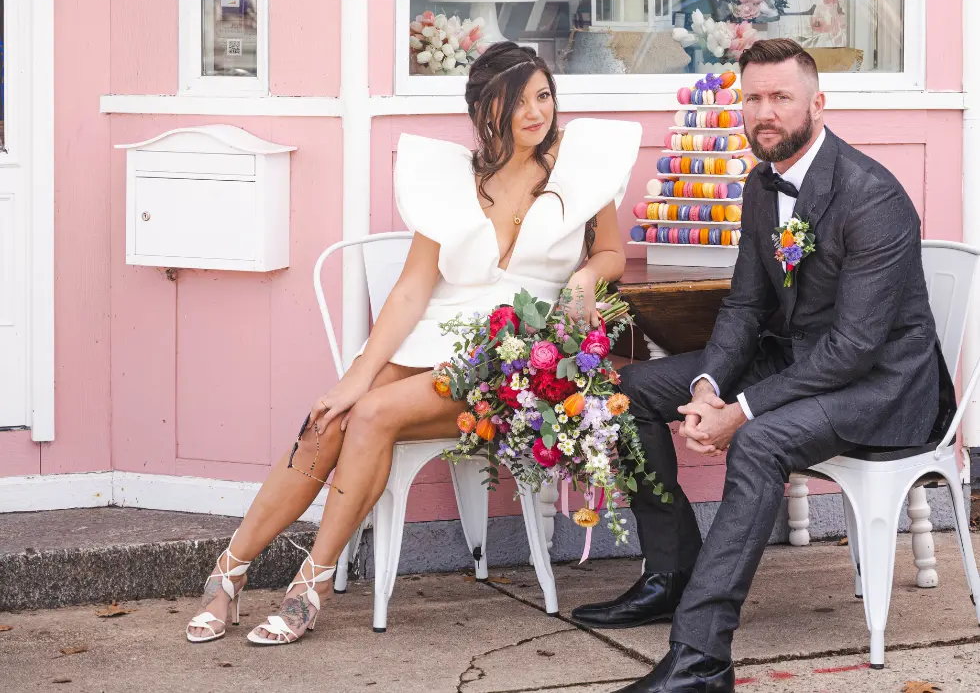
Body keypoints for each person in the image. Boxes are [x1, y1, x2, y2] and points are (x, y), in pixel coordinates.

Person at [185, 42, 643, 645]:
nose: (536, 112)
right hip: (432, 338)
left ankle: (310, 585)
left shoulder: (581, 167)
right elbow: (410, 291)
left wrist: (585, 276)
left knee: (373, 416)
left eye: (543, 96)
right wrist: (354, 376)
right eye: (518, 102)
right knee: (330, 419)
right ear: (486, 111)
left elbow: (611, 252)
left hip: (506, 360)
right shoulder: (454, 180)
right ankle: (228, 572)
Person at [570, 39, 954, 692]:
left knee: (757, 441)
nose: (765, 112)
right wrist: (706, 387)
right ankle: (673, 572)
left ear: (817, 104)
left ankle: (702, 657)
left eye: (781, 97)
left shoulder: (872, 197)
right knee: (629, 389)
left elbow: (854, 348)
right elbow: (746, 305)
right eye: (753, 98)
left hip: (883, 385)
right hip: (803, 361)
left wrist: (740, 411)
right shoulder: (760, 183)